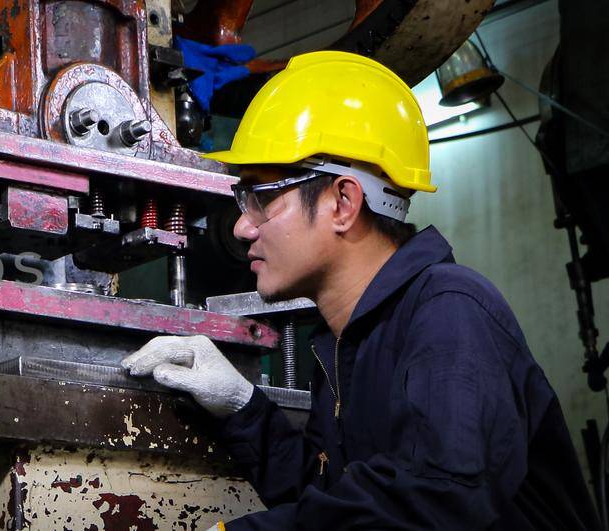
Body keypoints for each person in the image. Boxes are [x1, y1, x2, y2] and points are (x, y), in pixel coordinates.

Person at [121, 51, 600, 529]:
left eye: (262, 198)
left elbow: (437, 499)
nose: (244, 228)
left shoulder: (448, 311)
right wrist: (242, 409)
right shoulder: (345, 344)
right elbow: (333, 499)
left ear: (344, 202)